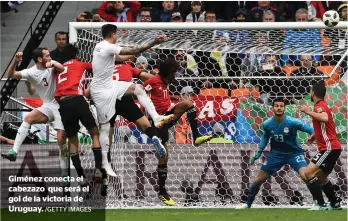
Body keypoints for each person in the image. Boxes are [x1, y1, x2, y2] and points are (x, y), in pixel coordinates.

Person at [90, 24, 173, 175]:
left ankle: (105, 168)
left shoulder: (100, 50)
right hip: (122, 96)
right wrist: (152, 44)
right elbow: (138, 62)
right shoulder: (125, 66)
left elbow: (122, 56)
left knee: (107, 133)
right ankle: (155, 133)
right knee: (143, 121)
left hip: (105, 98)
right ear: (114, 35)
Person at [143, 58, 212, 206]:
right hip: (158, 120)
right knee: (164, 156)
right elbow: (141, 93)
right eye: (174, 71)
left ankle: (197, 137)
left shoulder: (165, 83)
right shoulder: (153, 82)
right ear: (168, 71)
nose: (176, 74)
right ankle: (162, 192)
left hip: (167, 116)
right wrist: (148, 114)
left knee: (189, 104)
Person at [1, 49, 68, 180]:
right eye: (47, 55)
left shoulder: (51, 65)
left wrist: (52, 63)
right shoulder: (30, 72)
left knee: (61, 140)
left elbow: (62, 68)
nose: (50, 57)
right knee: (27, 118)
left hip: (61, 106)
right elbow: (11, 75)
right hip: (48, 105)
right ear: (39, 59)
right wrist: (15, 62)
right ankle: (14, 151)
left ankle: (64, 175)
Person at [236, 98, 315, 209]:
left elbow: (310, 129)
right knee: (259, 179)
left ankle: (318, 203)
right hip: (275, 155)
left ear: (284, 108)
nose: (279, 108)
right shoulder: (267, 124)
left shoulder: (293, 122)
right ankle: (247, 204)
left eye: (281, 106)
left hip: (294, 154)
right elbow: (265, 137)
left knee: (306, 175)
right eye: (276, 106)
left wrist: (313, 135)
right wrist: (259, 152)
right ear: (273, 108)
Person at [55, 44, 104, 182]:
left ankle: (81, 177)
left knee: (72, 140)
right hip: (77, 99)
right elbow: (98, 69)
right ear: (76, 55)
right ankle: (99, 170)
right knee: (94, 132)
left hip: (63, 103)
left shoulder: (58, 69)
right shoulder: (80, 63)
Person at [298, 81, 342, 210]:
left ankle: (321, 204)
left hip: (329, 148)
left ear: (313, 93)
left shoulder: (319, 106)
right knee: (321, 177)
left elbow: (324, 118)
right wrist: (314, 136)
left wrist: (307, 112)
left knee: (307, 172)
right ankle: (335, 203)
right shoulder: (323, 105)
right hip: (333, 147)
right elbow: (326, 126)